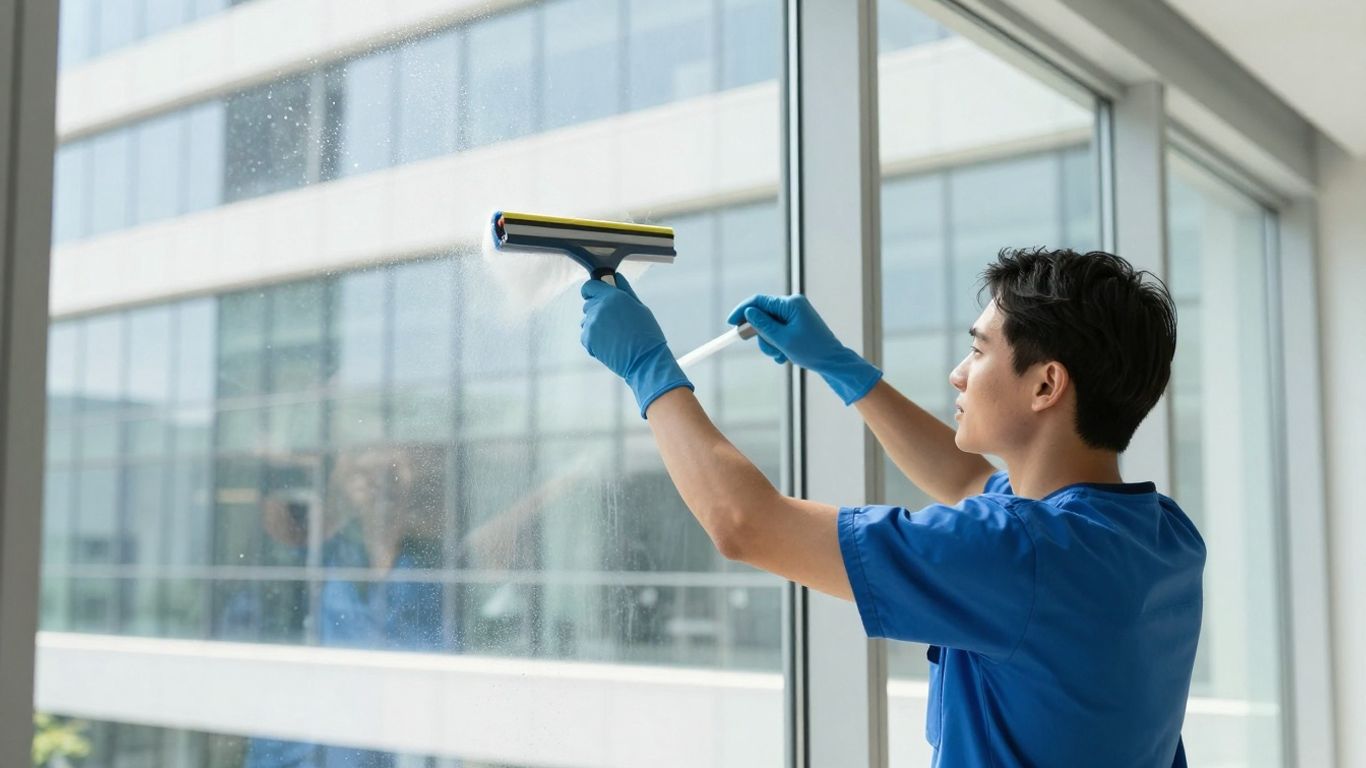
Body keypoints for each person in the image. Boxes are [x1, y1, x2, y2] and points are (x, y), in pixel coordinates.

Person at [578, 247, 1204, 767]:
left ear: (1046, 384)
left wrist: (647, 368)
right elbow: (967, 480)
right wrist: (840, 367)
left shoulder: (1017, 553)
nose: (959, 374)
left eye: (980, 350)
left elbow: (748, 525)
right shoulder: (1161, 537)